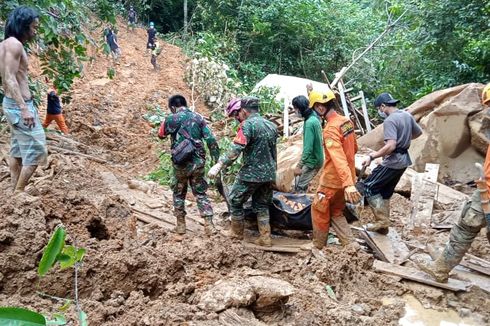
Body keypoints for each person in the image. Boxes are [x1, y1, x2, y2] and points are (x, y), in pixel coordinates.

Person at [417, 83, 490, 283]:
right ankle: (440, 269)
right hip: (485, 188)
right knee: (465, 226)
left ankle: (441, 268)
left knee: (467, 226)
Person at [208, 97, 278, 247]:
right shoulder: (271, 125)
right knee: (262, 205)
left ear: (244, 111)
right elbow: (274, 152)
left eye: (237, 114)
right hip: (269, 173)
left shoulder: (247, 125)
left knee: (235, 200)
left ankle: (236, 233)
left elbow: (236, 149)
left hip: (251, 173)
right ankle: (265, 238)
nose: (236, 118)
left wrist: (220, 164)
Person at [358, 93, 422, 234]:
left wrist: (372, 156)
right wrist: (403, 137)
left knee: (368, 187)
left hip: (393, 161)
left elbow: (391, 146)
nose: (379, 112)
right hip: (404, 160)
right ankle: (384, 226)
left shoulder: (390, 120)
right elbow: (418, 133)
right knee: (385, 191)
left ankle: (382, 221)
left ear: (383, 106)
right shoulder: (406, 115)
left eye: (378, 109)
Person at [0, 6, 47, 193]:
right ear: (23, 25)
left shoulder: (5, 44)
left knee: (17, 151)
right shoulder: (14, 45)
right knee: (37, 150)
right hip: (19, 107)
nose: (35, 32)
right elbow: (9, 77)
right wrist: (24, 108)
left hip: (12, 105)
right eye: (33, 27)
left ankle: (13, 192)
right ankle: (19, 193)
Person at [158, 95, 220, 236]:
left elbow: (160, 135)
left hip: (180, 164)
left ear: (173, 107)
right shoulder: (198, 118)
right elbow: (211, 140)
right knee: (200, 193)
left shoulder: (170, 119)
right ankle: (209, 226)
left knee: (179, 193)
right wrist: (216, 162)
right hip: (198, 163)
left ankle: (180, 226)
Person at [308, 89, 361, 249]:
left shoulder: (330, 129)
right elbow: (355, 148)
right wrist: (349, 181)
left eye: (315, 109)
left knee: (319, 209)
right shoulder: (346, 122)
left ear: (320, 108)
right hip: (348, 176)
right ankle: (351, 245)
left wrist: (347, 184)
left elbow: (338, 158)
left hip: (333, 180)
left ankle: (318, 246)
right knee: (336, 211)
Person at [292, 95, 324, 193]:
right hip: (316, 158)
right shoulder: (314, 117)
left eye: (295, 109)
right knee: (302, 184)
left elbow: (308, 148)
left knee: (300, 187)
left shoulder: (310, 123)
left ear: (299, 109)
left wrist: (299, 165)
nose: (294, 111)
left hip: (312, 161)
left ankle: (302, 206)